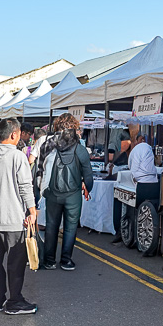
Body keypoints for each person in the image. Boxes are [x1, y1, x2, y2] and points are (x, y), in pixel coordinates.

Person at [0, 117, 38, 315]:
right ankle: (14, 301)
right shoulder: (18, 156)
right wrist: (32, 210)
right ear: (13, 134)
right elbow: (25, 186)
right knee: (15, 263)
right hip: (12, 217)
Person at [40, 113, 94, 271]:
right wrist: (87, 188)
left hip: (52, 193)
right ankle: (66, 260)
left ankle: (49, 260)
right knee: (70, 227)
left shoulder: (49, 146)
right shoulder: (80, 149)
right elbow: (88, 176)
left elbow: (40, 169)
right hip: (73, 194)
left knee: (51, 226)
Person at [111, 133, 159, 245]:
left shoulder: (137, 150)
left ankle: (119, 231)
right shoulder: (148, 149)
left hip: (141, 187)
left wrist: (135, 178)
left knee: (119, 199)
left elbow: (134, 169)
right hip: (154, 186)